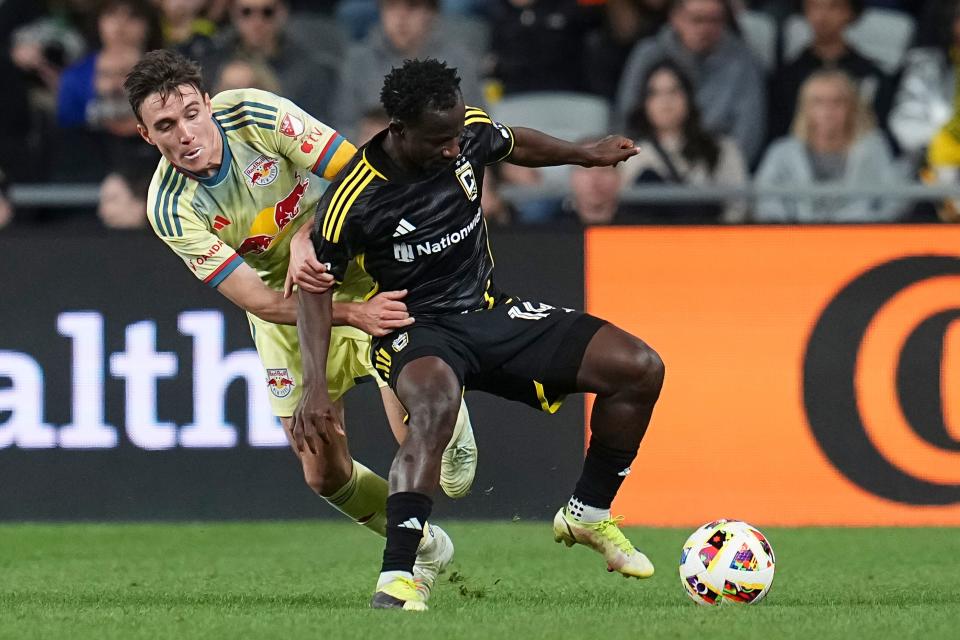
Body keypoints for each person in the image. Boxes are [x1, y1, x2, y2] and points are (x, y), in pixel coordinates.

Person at [294, 58, 665, 611]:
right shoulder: (356, 195)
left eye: (456, 137)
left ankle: (588, 514)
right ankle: (398, 576)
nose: (452, 149)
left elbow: (512, 143)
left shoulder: (463, 130)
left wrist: (584, 154)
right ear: (398, 130)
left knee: (639, 366)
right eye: (438, 140)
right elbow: (314, 288)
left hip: (490, 311)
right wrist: (315, 385)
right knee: (435, 408)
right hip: (416, 328)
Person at [123, 49, 480, 601]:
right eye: (167, 125)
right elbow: (260, 300)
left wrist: (309, 236)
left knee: (415, 431)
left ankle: (442, 419)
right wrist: (352, 314)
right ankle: (426, 544)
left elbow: (359, 173)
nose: (186, 133)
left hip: (358, 266)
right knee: (322, 474)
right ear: (147, 136)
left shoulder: (255, 116)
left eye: (192, 112)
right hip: (285, 311)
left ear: (209, 104)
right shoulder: (170, 206)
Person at [615, 0, 767, 164]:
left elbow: (749, 131)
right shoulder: (648, 55)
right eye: (697, 19)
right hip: (650, 163)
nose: (705, 28)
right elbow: (627, 118)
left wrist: (723, 166)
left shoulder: (743, 61)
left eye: (715, 20)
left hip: (717, 168)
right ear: (675, 18)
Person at [755, 69, 903, 222]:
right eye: (818, 102)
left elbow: (891, 202)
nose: (828, 111)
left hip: (861, 239)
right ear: (805, 108)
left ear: (852, 107)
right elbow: (766, 204)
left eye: (837, 102)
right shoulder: (781, 153)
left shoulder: (873, 149)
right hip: (794, 240)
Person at [332, 0, 483, 140]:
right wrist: (363, 136)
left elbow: (477, 128)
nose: (400, 18)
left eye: (412, 7)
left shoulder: (458, 61)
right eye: (391, 7)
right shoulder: (359, 60)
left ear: (431, 13)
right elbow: (342, 124)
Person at [621, 58, 748, 223]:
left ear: (689, 97)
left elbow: (738, 207)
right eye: (655, 93)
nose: (665, 101)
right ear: (644, 102)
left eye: (674, 91)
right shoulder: (628, 155)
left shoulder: (721, 148)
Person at [769, 0, 892, 143]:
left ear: (851, 12)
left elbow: (878, 132)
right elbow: (778, 134)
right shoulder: (786, 77)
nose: (822, 16)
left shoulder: (872, 75)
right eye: (815, 6)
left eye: (834, 7)